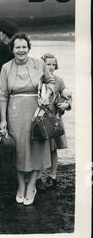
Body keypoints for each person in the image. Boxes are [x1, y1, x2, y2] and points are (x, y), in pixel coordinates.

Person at [0, 33, 55, 206]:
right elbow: (2, 94)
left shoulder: (39, 64)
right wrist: (3, 120)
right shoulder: (6, 67)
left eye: (24, 47)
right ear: (12, 49)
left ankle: (31, 186)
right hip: (15, 112)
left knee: (36, 147)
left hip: (37, 111)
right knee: (20, 150)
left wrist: (48, 93)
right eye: (17, 47)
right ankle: (20, 186)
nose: (21, 50)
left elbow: (51, 81)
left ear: (29, 48)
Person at [38, 53, 72, 190]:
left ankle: (52, 176)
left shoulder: (59, 80)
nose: (51, 67)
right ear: (42, 65)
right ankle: (39, 177)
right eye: (48, 64)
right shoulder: (38, 80)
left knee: (53, 149)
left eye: (53, 64)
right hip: (39, 118)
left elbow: (68, 95)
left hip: (54, 119)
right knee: (39, 148)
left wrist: (67, 105)